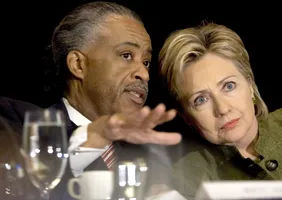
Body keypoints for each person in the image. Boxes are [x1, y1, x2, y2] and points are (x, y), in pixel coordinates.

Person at [1, 1, 182, 199]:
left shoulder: (151, 154)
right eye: (126, 55)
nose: (144, 74)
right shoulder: (18, 124)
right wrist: (92, 139)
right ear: (78, 64)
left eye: (146, 62)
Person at [158, 21, 282, 199]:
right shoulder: (180, 180)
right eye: (200, 99)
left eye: (229, 86)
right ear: (186, 116)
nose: (223, 109)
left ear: (250, 85)